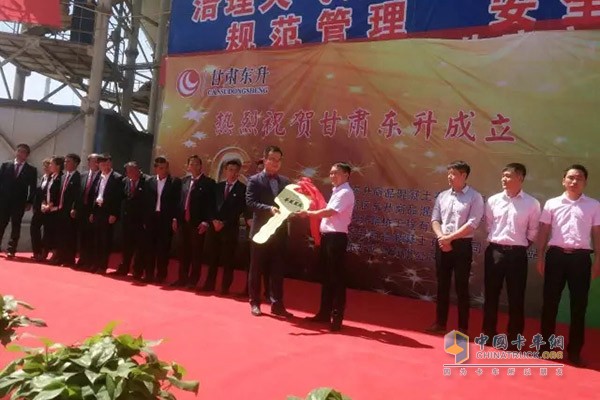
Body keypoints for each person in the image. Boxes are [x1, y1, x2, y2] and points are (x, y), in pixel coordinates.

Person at [537, 164, 600, 367]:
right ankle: (545, 348)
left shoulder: (594, 205)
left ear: (585, 182)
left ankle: (574, 351)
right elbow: (544, 231)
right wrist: (540, 256)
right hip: (555, 257)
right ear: (563, 180)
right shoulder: (552, 203)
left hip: (581, 259)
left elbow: (597, 234)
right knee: (550, 304)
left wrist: (598, 260)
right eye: (570, 178)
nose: (574, 181)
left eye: (579, 178)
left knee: (579, 306)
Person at [482, 163, 540, 344]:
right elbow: (489, 225)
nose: (504, 179)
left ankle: (514, 339)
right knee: (491, 294)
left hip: (517, 255)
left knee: (516, 296)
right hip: (495, 252)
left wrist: (519, 246)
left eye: (508, 176)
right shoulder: (493, 200)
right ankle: (488, 334)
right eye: (503, 175)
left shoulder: (532, 203)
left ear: (520, 178)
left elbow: (533, 231)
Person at [428, 160, 484, 334]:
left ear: (464, 175)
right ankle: (440, 324)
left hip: (461, 245)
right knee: (442, 285)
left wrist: (450, 238)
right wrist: (441, 237)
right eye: (449, 173)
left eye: (453, 174)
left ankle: (462, 327)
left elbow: (472, 224)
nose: (449, 177)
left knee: (461, 286)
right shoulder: (443, 196)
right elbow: (435, 219)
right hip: (442, 243)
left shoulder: (475, 197)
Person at [299, 162, 355, 331]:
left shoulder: (345, 192)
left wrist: (309, 213)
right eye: (330, 173)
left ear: (346, 175)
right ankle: (324, 313)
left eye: (336, 173)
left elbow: (329, 212)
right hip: (327, 238)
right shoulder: (337, 191)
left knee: (336, 279)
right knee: (327, 277)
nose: (332, 176)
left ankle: (336, 318)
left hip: (336, 239)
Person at [246, 145, 292, 317]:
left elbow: (289, 205)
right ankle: (254, 303)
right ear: (265, 159)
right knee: (256, 269)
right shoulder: (254, 180)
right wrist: (268, 209)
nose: (275, 163)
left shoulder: (286, 182)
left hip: (279, 233)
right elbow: (251, 202)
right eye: (272, 159)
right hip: (260, 232)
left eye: (278, 160)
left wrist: (296, 210)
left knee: (277, 270)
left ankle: (277, 304)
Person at [202, 159, 252, 294]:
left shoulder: (242, 189)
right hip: (214, 227)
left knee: (228, 260)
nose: (233, 173)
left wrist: (224, 222)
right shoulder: (217, 186)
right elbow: (210, 206)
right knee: (212, 258)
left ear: (239, 172)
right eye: (230, 170)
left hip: (229, 229)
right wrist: (213, 220)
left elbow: (239, 210)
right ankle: (209, 284)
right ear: (225, 171)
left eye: (235, 170)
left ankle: (225, 287)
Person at [172, 155, 216, 289]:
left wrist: (206, 222)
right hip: (183, 222)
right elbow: (179, 201)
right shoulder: (183, 181)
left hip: (198, 223)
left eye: (197, 164)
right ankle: (182, 278)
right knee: (182, 251)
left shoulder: (209, 183)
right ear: (188, 166)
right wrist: (175, 218)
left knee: (196, 253)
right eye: (191, 164)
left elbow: (211, 205)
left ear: (201, 166)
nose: (194, 166)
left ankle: (193, 280)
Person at [142, 156, 180, 284]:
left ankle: (161, 275)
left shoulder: (174, 182)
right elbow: (146, 201)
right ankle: (148, 273)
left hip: (166, 218)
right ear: (156, 169)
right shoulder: (149, 181)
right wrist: (145, 219)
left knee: (163, 248)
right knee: (149, 248)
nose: (163, 170)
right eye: (160, 168)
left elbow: (177, 202)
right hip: (152, 218)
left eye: (165, 167)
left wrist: (175, 218)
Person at [0, 143, 37, 257]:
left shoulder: (31, 170)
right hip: (4, 201)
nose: (20, 154)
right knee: (1, 223)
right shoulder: (6, 165)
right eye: (19, 151)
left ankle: (11, 249)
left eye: (23, 152)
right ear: (15, 152)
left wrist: (30, 202)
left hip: (19, 202)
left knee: (16, 225)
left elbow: (33, 187)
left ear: (27, 155)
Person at [89, 154, 123, 274]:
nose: (103, 166)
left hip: (108, 212)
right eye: (101, 164)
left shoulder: (117, 178)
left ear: (110, 163)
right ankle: (95, 263)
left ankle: (102, 265)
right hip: (98, 209)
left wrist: (114, 213)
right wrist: (92, 212)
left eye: (106, 163)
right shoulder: (98, 176)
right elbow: (94, 194)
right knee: (96, 238)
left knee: (105, 240)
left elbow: (118, 198)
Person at [114, 161, 147, 277]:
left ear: (138, 170)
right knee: (126, 245)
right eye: (128, 171)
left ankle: (137, 270)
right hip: (127, 219)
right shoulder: (125, 181)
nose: (130, 173)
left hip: (140, 220)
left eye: (132, 171)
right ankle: (124, 267)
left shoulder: (147, 181)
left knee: (140, 247)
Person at [52, 153, 82, 266]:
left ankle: (69, 259)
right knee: (60, 234)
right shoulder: (63, 176)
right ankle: (60, 257)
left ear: (75, 163)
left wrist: (74, 208)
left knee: (69, 235)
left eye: (68, 161)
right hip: (60, 209)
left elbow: (78, 195)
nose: (65, 163)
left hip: (70, 211)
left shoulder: (78, 177)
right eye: (65, 161)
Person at [75, 153, 100, 270]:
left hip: (93, 210)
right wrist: (74, 207)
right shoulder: (83, 175)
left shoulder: (101, 176)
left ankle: (90, 261)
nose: (95, 163)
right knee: (82, 235)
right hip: (82, 209)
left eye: (97, 161)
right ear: (89, 162)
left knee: (92, 237)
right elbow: (78, 193)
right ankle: (82, 258)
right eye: (93, 161)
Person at [41, 156, 64, 260]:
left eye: (51, 164)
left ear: (58, 166)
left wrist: (50, 205)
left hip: (55, 209)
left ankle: (55, 253)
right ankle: (44, 252)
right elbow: (45, 192)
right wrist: (43, 203)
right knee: (47, 231)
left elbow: (58, 194)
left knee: (55, 232)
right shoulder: (51, 177)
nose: (49, 166)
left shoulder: (61, 178)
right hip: (47, 209)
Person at [30, 158, 52, 261]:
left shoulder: (54, 178)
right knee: (34, 228)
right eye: (44, 166)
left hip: (48, 209)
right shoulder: (43, 178)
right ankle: (36, 250)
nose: (45, 168)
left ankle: (44, 251)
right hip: (39, 208)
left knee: (47, 231)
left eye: (48, 166)